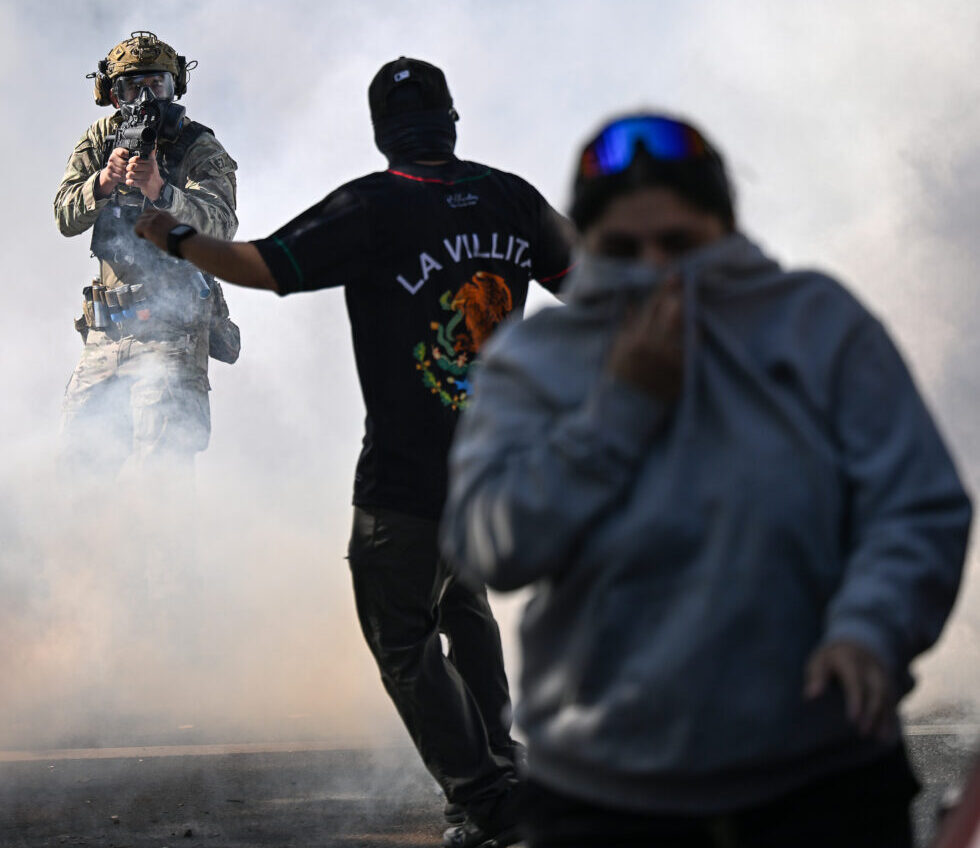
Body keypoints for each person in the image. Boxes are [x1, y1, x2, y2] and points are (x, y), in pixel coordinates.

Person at [442, 112, 973, 847]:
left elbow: (915, 505)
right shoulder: (536, 360)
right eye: (627, 248)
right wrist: (620, 408)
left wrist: (872, 628)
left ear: (724, 227)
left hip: (823, 778)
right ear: (588, 247)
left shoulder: (816, 325)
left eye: (680, 243)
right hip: (605, 792)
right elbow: (489, 545)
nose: (657, 267)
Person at [136, 57, 574, 848]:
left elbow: (265, 267)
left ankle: (492, 801)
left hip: (406, 478)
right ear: (452, 121)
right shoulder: (511, 197)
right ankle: (495, 781)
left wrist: (174, 237)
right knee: (462, 608)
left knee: (403, 636)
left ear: (382, 134)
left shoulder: (375, 206)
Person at [54, 30, 240, 486]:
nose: (144, 96)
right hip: (108, 333)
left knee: (163, 474)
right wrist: (101, 183)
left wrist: (163, 192)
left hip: (172, 331)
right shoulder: (100, 140)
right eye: (130, 86)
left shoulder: (197, 146)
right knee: (78, 468)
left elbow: (222, 225)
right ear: (112, 94)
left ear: (174, 86)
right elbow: (63, 214)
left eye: (155, 84)